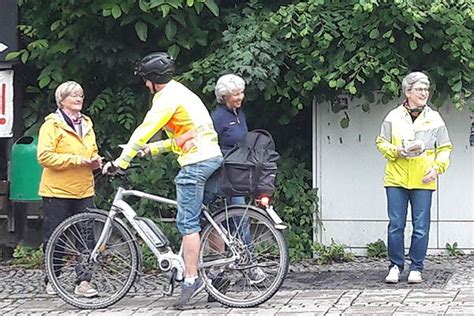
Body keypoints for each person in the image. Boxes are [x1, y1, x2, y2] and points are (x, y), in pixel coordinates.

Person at [102, 52, 223, 309]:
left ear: (154, 79)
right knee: (204, 218)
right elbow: (187, 135)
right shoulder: (184, 93)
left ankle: (192, 279)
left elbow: (143, 130)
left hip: (196, 163)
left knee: (188, 223)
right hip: (212, 157)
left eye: (146, 80)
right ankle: (220, 275)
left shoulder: (165, 98)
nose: (146, 85)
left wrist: (121, 162)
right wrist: (153, 150)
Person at [375, 72, 452, 284]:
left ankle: (416, 267)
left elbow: (445, 147)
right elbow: (381, 142)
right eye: (419, 89)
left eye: (426, 89)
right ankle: (395, 266)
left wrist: (437, 169)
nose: (424, 93)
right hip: (396, 178)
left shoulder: (435, 117)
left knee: (421, 226)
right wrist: (396, 151)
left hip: (424, 179)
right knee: (396, 224)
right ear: (408, 92)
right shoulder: (393, 116)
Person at [37, 81, 102, 297]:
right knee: (57, 238)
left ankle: (83, 282)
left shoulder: (87, 124)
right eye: (73, 95)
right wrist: (77, 160)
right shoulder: (52, 125)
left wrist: (95, 162)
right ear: (61, 99)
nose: (78, 98)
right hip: (57, 191)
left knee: (86, 238)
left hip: (84, 190)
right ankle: (52, 279)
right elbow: (44, 156)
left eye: (81, 95)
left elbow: (91, 151)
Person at [211, 74, 266, 285]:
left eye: (241, 93)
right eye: (236, 94)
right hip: (223, 175)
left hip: (239, 172)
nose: (240, 97)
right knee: (229, 220)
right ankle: (241, 269)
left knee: (240, 219)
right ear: (224, 96)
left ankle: (245, 266)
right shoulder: (217, 117)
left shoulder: (239, 114)